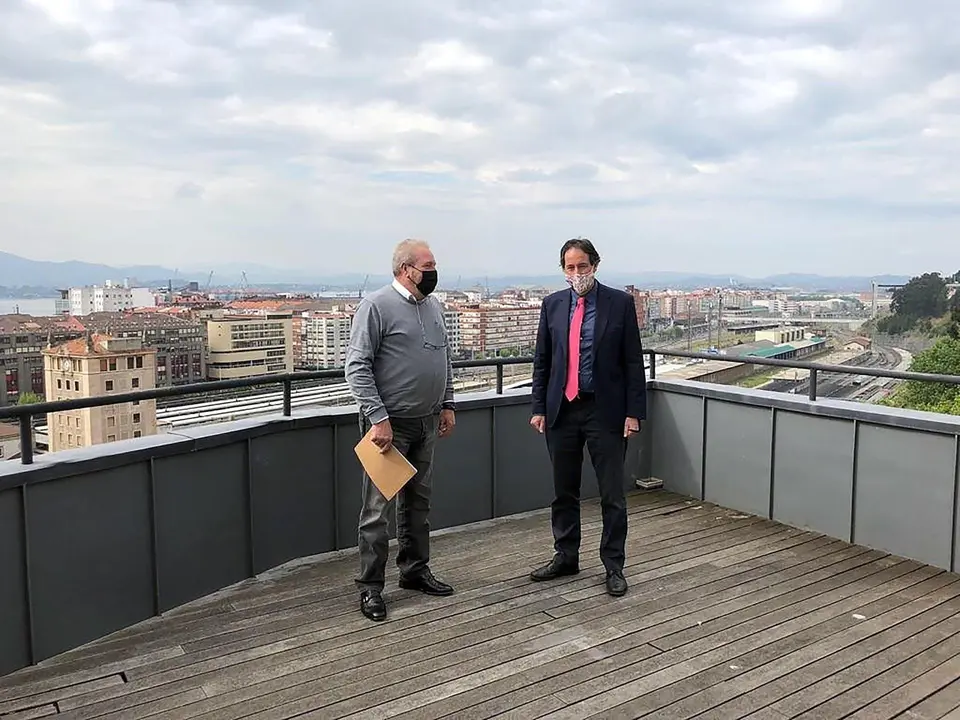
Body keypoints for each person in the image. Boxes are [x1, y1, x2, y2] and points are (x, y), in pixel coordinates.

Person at [344, 238, 457, 621]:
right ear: (406, 269)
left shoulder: (434, 306)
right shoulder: (375, 307)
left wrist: (448, 403)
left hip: (427, 421)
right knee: (377, 511)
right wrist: (378, 418)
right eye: (428, 265)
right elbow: (357, 367)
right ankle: (371, 588)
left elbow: (444, 356)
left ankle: (414, 571)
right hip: (389, 428)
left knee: (418, 504)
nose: (434, 272)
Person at [529, 237, 646, 596]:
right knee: (563, 491)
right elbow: (543, 361)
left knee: (612, 493)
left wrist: (633, 413)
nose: (576, 273)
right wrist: (538, 408)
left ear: (595, 265)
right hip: (562, 411)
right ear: (563, 269)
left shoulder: (619, 303)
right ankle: (566, 556)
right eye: (570, 267)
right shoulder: (552, 305)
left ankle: (613, 566)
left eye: (582, 266)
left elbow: (632, 362)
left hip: (604, 411)